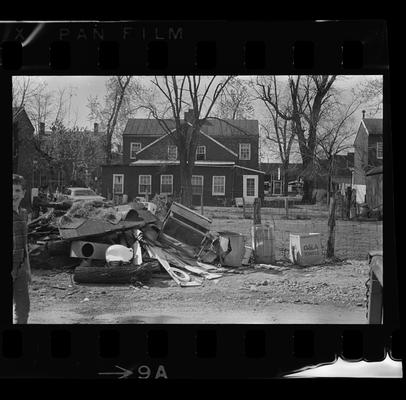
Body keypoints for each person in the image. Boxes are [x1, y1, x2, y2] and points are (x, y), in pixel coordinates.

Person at [12, 174, 31, 324]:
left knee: (23, 310)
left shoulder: (24, 214)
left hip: (20, 269)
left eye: (17, 190)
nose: (14, 194)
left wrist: (28, 269)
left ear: (23, 193)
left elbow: (25, 244)